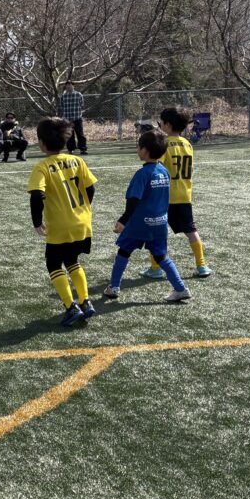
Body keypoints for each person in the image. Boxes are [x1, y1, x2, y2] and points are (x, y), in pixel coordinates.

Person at [103, 130, 190, 303]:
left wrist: (123, 220)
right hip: (159, 223)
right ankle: (180, 288)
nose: (137, 150)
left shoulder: (142, 174)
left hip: (139, 224)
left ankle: (113, 287)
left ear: (145, 150)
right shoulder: (164, 171)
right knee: (161, 256)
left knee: (123, 252)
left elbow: (134, 199)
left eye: (139, 147)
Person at [28, 117, 99, 326]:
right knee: (72, 260)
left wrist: (37, 222)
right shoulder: (77, 161)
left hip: (60, 226)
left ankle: (70, 307)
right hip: (82, 221)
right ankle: (85, 301)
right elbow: (90, 188)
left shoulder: (42, 167)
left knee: (53, 264)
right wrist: (84, 209)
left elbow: (37, 195)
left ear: (41, 142)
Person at [141, 108, 212, 281]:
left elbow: (157, 169)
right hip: (185, 195)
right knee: (191, 230)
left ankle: (156, 268)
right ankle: (202, 265)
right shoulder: (187, 144)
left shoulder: (164, 144)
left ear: (167, 125)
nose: (160, 125)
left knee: (156, 232)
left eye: (161, 122)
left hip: (164, 197)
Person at [59, 80, 88, 154]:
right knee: (69, 135)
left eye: (70, 85)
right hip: (67, 119)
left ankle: (83, 149)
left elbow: (82, 104)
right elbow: (62, 106)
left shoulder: (78, 94)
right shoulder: (63, 96)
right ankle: (70, 149)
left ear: (73, 86)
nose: (69, 87)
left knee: (80, 134)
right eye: (67, 85)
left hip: (77, 118)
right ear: (65, 87)